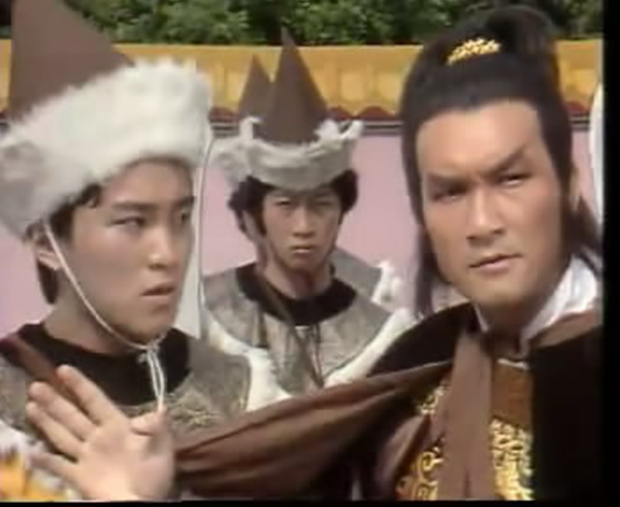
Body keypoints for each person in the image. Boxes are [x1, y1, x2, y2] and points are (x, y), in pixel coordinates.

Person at [24, 4, 601, 501]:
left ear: (570, 184)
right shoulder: (414, 367)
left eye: (511, 179)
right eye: (449, 192)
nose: (481, 223)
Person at [0, 0, 236, 499]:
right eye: (132, 222)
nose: (167, 253)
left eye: (182, 218)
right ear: (45, 241)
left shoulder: (240, 391)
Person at [196, 36, 414, 410]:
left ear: (341, 211)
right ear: (254, 216)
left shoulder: (381, 333)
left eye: (321, 204)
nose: (304, 226)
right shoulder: (211, 316)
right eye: (285, 205)